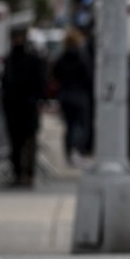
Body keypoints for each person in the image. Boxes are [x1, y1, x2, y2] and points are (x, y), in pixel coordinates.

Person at [0, 27, 47, 187]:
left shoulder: (32, 59)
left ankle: (28, 173)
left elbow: (41, 82)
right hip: (13, 108)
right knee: (15, 143)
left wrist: (35, 99)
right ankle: (18, 173)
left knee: (29, 142)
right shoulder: (9, 60)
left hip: (28, 107)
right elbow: (5, 83)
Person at [51, 27, 94, 166]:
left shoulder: (62, 58)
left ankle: (70, 152)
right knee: (81, 124)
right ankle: (78, 150)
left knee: (69, 125)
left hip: (65, 95)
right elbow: (89, 76)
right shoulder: (81, 58)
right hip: (80, 94)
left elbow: (55, 74)